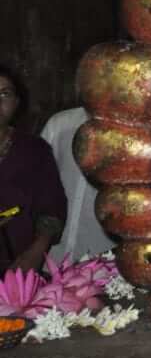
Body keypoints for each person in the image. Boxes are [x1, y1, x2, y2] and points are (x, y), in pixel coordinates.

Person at [0, 65, 67, 272]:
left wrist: (37, 252)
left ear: (16, 103)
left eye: (5, 93)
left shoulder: (34, 150)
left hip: (17, 267)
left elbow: (51, 207)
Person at [41, 106, 114, 261]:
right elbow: (37, 183)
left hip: (103, 260)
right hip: (50, 257)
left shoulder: (135, 130)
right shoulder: (60, 123)